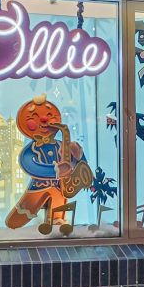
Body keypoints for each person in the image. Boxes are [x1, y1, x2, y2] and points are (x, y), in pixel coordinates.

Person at [5, 94, 88, 229]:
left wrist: (79, 157)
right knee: (22, 214)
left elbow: (78, 164)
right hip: (38, 187)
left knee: (58, 206)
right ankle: (16, 224)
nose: (44, 119)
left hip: (59, 187)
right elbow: (29, 164)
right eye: (34, 118)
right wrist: (55, 171)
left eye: (49, 115)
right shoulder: (31, 149)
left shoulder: (62, 145)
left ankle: (57, 224)